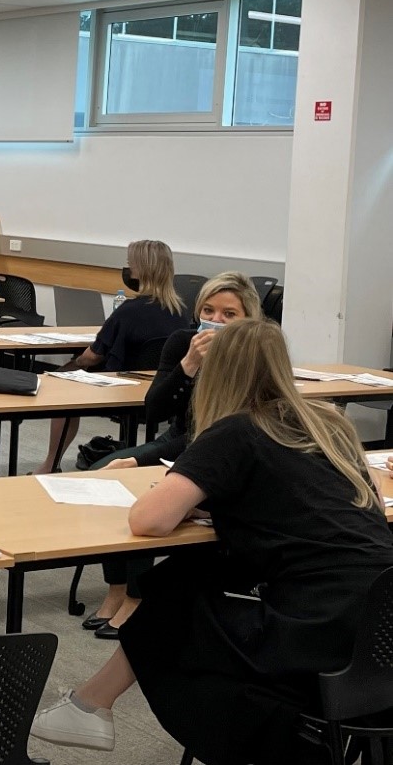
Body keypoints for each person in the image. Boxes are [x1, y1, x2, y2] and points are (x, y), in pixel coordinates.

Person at [31, 319, 393, 764]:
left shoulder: (236, 429)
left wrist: (184, 497)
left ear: (215, 373)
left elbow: (149, 520)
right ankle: (91, 704)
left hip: (320, 628)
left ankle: (92, 705)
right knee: (195, 573)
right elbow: (360, 502)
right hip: (381, 619)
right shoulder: (329, 426)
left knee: (175, 594)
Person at [82, 272, 262, 638]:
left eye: (230, 314)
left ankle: (136, 595)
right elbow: (155, 411)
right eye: (209, 311)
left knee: (147, 490)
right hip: (180, 440)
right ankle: (116, 587)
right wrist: (188, 365)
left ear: (249, 320)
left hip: (222, 450)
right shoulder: (182, 341)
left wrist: (135, 460)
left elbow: (217, 435)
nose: (217, 321)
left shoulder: (253, 357)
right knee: (104, 471)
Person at [33, 239, 185, 474]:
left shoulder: (129, 311)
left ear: (142, 269)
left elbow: (93, 356)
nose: (128, 269)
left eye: (130, 264)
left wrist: (73, 363)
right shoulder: (182, 311)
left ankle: (50, 463)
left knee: (63, 385)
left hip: (119, 387)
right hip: (160, 391)